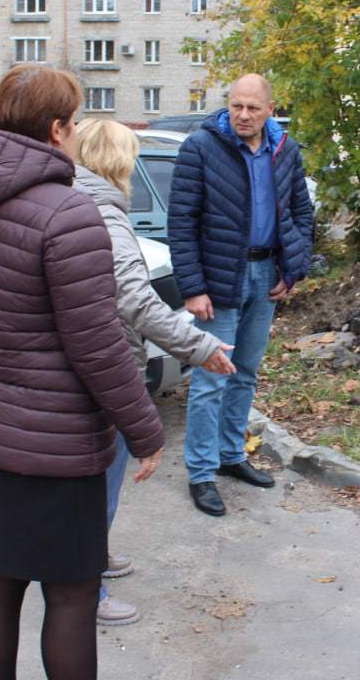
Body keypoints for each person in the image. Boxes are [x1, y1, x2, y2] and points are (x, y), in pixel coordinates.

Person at [0, 65, 164, 680]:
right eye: (72, 121)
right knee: (70, 594)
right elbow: (96, 345)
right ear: (57, 129)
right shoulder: (70, 213)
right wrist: (145, 431)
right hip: (57, 443)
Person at [71, 118, 236, 624]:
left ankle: (90, 561)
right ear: (120, 162)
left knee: (94, 479)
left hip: (83, 360)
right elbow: (134, 300)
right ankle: (86, 590)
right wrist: (199, 345)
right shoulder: (105, 215)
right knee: (101, 480)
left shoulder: (68, 201)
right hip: (107, 365)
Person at [168, 73, 315, 516]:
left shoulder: (284, 150)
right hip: (219, 280)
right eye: (236, 106)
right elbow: (182, 222)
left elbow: (301, 215)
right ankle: (200, 473)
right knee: (212, 379)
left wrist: (294, 268)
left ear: (271, 109)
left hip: (266, 273)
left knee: (246, 372)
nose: (243, 115)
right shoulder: (201, 147)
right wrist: (192, 288)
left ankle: (232, 457)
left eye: (253, 107)